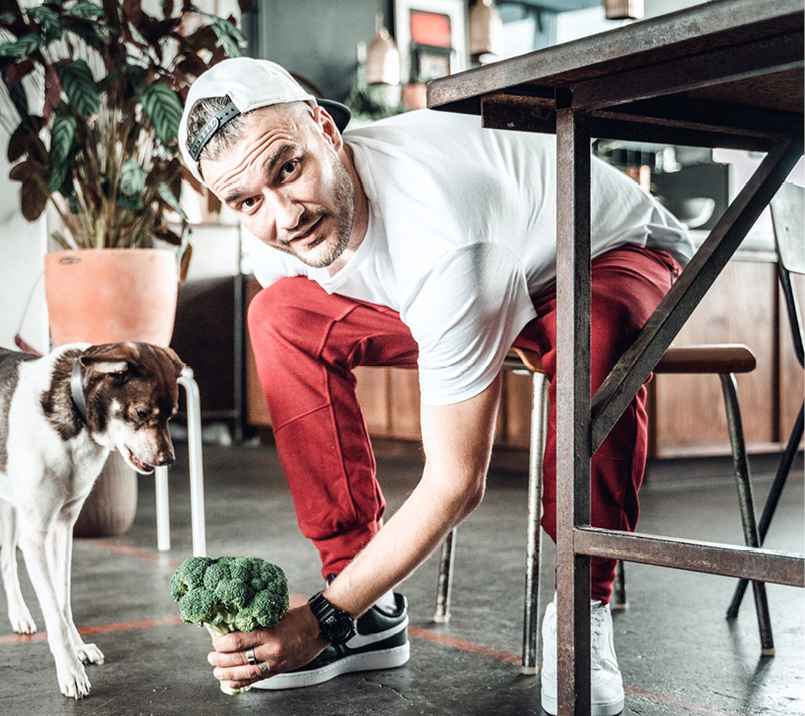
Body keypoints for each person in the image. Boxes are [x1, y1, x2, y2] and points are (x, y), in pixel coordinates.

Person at [178, 57, 692, 715]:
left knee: (593, 332)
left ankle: (581, 603)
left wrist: (321, 620)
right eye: (247, 201)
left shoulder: (444, 234)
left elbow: (456, 482)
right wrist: (348, 600)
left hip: (603, 250)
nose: (284, 215)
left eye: (288, 168)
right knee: (279, 318)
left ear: (325, 130)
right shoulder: (279, 233)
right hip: (486, 274)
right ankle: (367, 604)